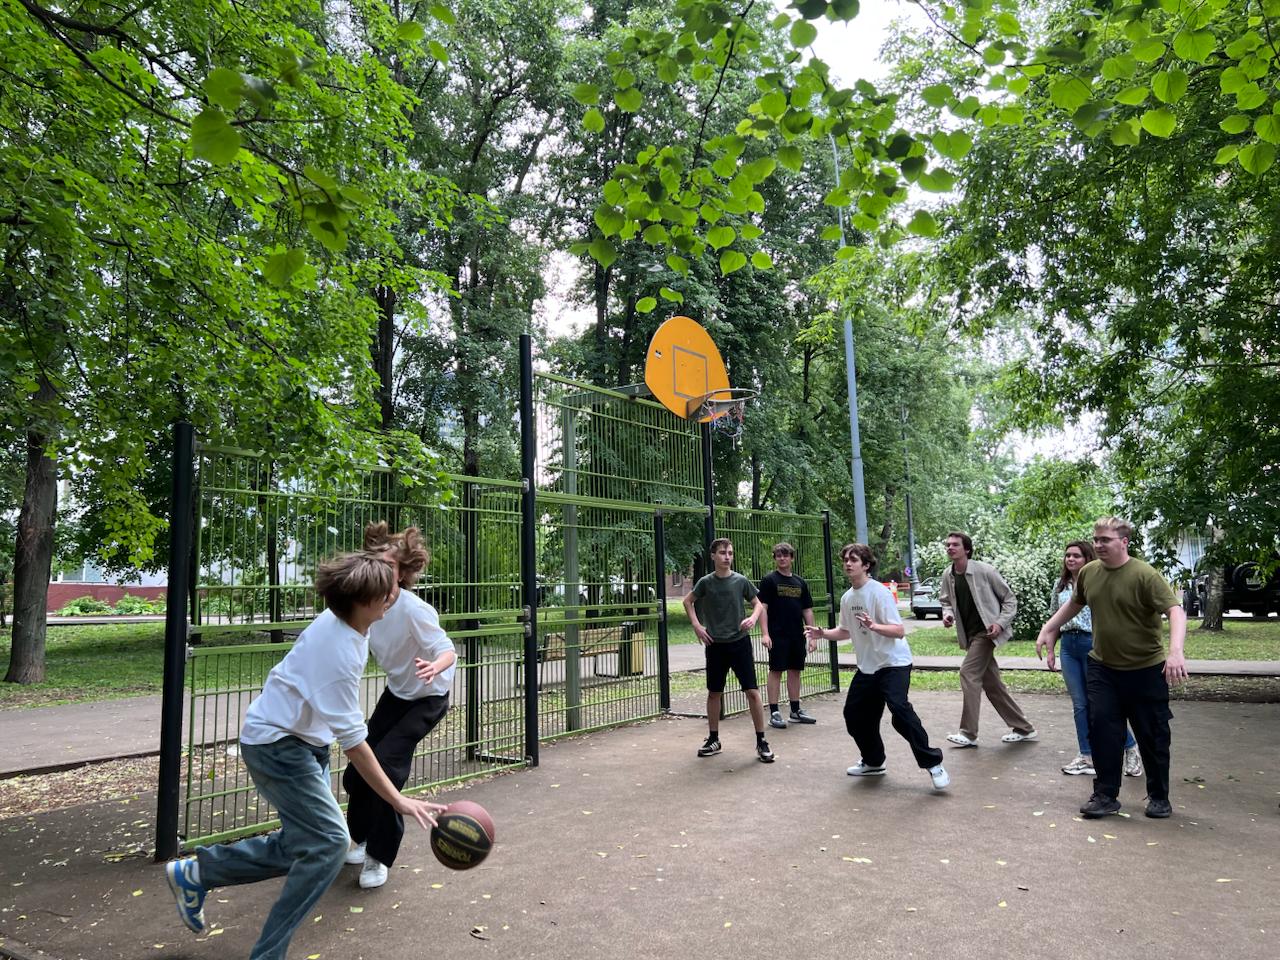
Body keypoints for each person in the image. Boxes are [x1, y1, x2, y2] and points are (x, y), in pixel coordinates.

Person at [164, 551, 444, 958]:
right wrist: (397, 800)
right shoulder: (341, 653)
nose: (392, 597)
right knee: (330, 844)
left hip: (303, 740)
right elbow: (356, 745)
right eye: (386, 593)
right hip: (277, 746)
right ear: (365, 602)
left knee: (306, 844)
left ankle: (199, 872)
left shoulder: (348, 620)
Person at [1036, 517, 1188, 820]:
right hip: (1103, 668)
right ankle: (1105, 795)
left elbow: (1175, 611)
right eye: (1096, 539)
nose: (1098, 544)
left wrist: (1175, 652)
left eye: (1105, 539)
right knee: (1104, 731)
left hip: (1146, 670)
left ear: (1124, 542)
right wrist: (1049, 627)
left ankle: (1159, 796)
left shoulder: (1144, 575)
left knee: (1152, 735)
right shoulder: (1089, 573)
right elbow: (1075, 604)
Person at [342, 523, 457, 889]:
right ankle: (358, 839)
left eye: (388, 565)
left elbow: (447, 650)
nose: (378, 568)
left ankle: (379, 855)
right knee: (359, 769)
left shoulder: (414, 610)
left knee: (387, 767)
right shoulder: (363, 603)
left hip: (428, 696)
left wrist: (433, 666)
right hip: (398, 693)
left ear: (402, 574)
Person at [807, 544, 949, 790]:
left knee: (899, 711)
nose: (848, 564)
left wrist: (874, 627)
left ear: (866, 565)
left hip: (894, 663)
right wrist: (822, 634)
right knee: (854, 715)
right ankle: (873, 762)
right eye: (845, 560)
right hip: (868, 667)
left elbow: (898, 630)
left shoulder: (879, 593)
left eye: (854, 560)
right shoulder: (847, 598)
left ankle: (933, 763)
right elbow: (845, 631)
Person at [1035, 540, 1143, 779]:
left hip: (1093, 644)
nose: (1070, 559)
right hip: (1069, 647)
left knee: (1101, 706)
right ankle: (1086, 756)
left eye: (1076, 556)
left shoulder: (1097, 582)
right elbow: (1055, 619)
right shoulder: (1061, 585)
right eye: (1067, 556)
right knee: (1080, 704)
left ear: (1087, 558)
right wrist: (1051, 650)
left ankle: (1130, 748)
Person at [938, 531, 1037, 747]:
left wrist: (1000, 623)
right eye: (948, 545)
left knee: (968, 673)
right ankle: (1024, 728)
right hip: (971, 635)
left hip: (987, 633)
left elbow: (1009, 599)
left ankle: (968, 733)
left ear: (967, 549)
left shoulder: (984, 571)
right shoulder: (949, 575)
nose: (950, 548)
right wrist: (947, 614)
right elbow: (946, 600)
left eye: (955, 544)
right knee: (992, 685)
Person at [682, 537, 774, 763]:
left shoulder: (740, 581)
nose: (727, 557)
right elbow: (687, 601)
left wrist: (753, 619)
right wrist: (697, 625)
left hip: (739, 643)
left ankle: (762, 741)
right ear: (713, 556)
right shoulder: (705, 582)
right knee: (714, 693)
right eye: (723, 553)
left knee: (752, 691)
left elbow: (758, 603)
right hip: (715, 645)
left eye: (730, 553)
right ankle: (713, 739)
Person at [758, 542, 818, 729]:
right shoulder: (769, 581)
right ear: (775, 558)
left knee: (795, 670)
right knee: (776, 670)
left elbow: (807, 610)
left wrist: (812, 635)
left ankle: (795, 710)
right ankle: (774, 712)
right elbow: (763, 608)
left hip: (796, 635)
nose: (782, 558)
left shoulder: (800, 582)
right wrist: (765, 634)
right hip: (777, 635)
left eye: (785, 555)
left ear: (792, 558)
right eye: (778, 555)